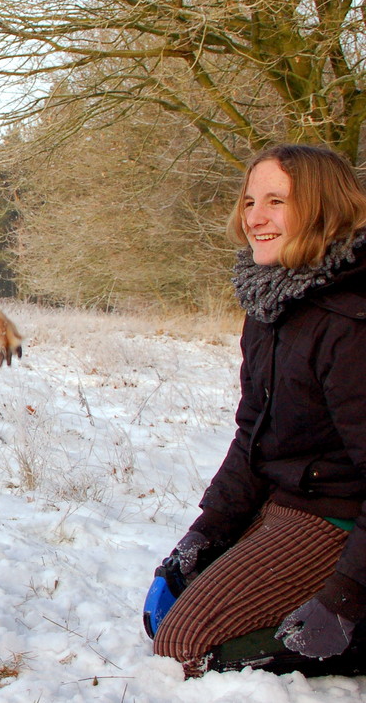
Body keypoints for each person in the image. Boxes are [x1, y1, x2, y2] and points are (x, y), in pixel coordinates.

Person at [149, 143, 366, 677]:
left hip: (338, 513)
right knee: (166, 616)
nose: (255, 218)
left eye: (276, 201)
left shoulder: (351, 322)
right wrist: (207, 531)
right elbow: (254, 435)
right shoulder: (272, 305)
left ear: (323, 207)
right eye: (249, 202)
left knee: (186, 644)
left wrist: (345, 598)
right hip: (284, 499)